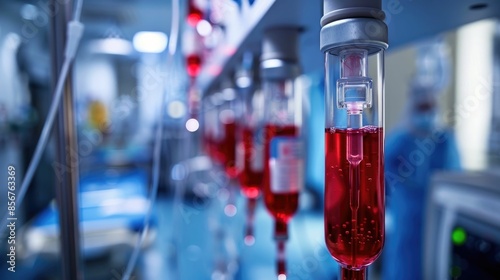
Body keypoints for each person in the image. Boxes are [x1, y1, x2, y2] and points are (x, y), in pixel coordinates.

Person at [382, 37, 461, 280]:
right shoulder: (399, 141)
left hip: (438, 229)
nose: (425, 112)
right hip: (405, 229)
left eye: (429, 106)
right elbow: (381, 179)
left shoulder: (444, 142)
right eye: (421, 106)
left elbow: (455, 185)